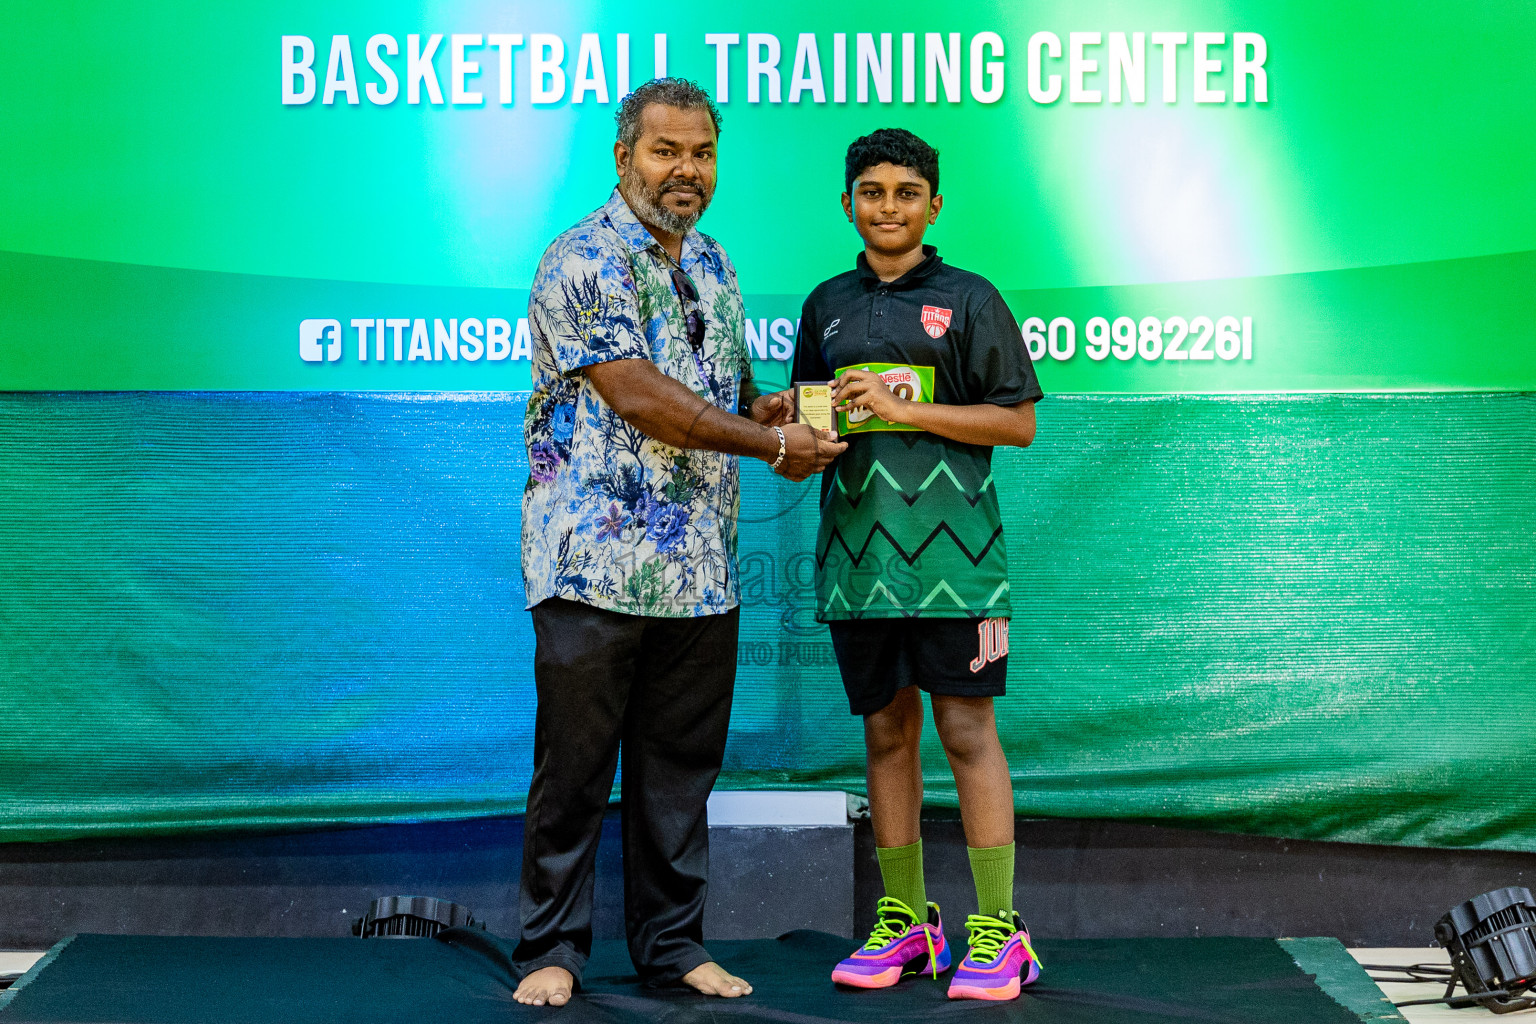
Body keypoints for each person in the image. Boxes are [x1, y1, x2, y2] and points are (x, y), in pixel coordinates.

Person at [514, 79, 844, 1007]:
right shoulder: (580, 259)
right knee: (573, 774)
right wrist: (768, 441)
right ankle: (551, 952)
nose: (685, 171)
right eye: (665, 151)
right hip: (591, 565)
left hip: (700, 571)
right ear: (624, 158)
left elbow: (725, 393)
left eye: (701, 153)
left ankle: (672, 948)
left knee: (678, 780)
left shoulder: (717, 264)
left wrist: (775, 414)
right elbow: (643, 398)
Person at [789, 128, 1044, 1002]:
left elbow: (1016, 423)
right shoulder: (825, 305)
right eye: (871, 190)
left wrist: (910, 407)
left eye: (906, 191)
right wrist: (797, 437)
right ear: (849, 203)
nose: (887, 205)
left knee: (967, 732)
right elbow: (810, 431)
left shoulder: (969, 299)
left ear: (934, 205)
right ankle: (906, 923)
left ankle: (1000, 932)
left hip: (959, 565)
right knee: (886, 733)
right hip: (859, 562)